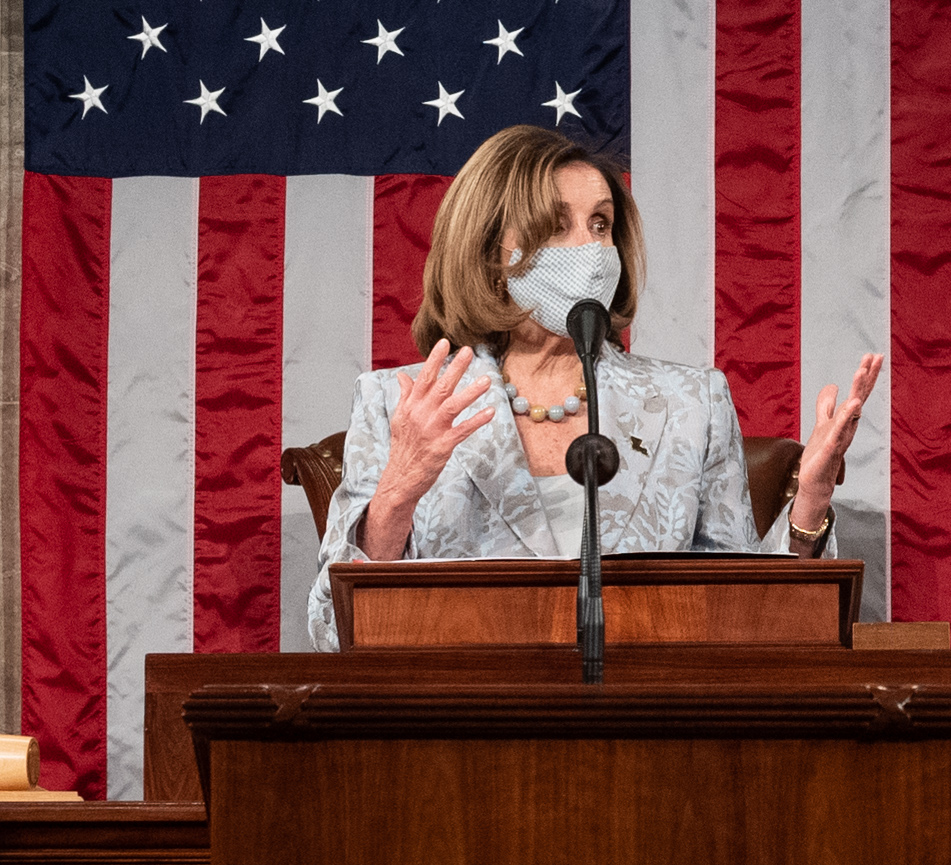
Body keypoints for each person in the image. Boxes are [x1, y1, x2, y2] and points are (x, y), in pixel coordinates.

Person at [313, 121, 876, 644]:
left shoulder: (691, 404)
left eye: (600, 224)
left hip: (647, 718)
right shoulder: (398, 402)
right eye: (558, 225)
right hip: (463, 720)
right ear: (489, 252)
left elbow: (747, 620)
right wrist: (397, 492)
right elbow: (332, 633)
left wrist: (811, 500)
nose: (589, 249)